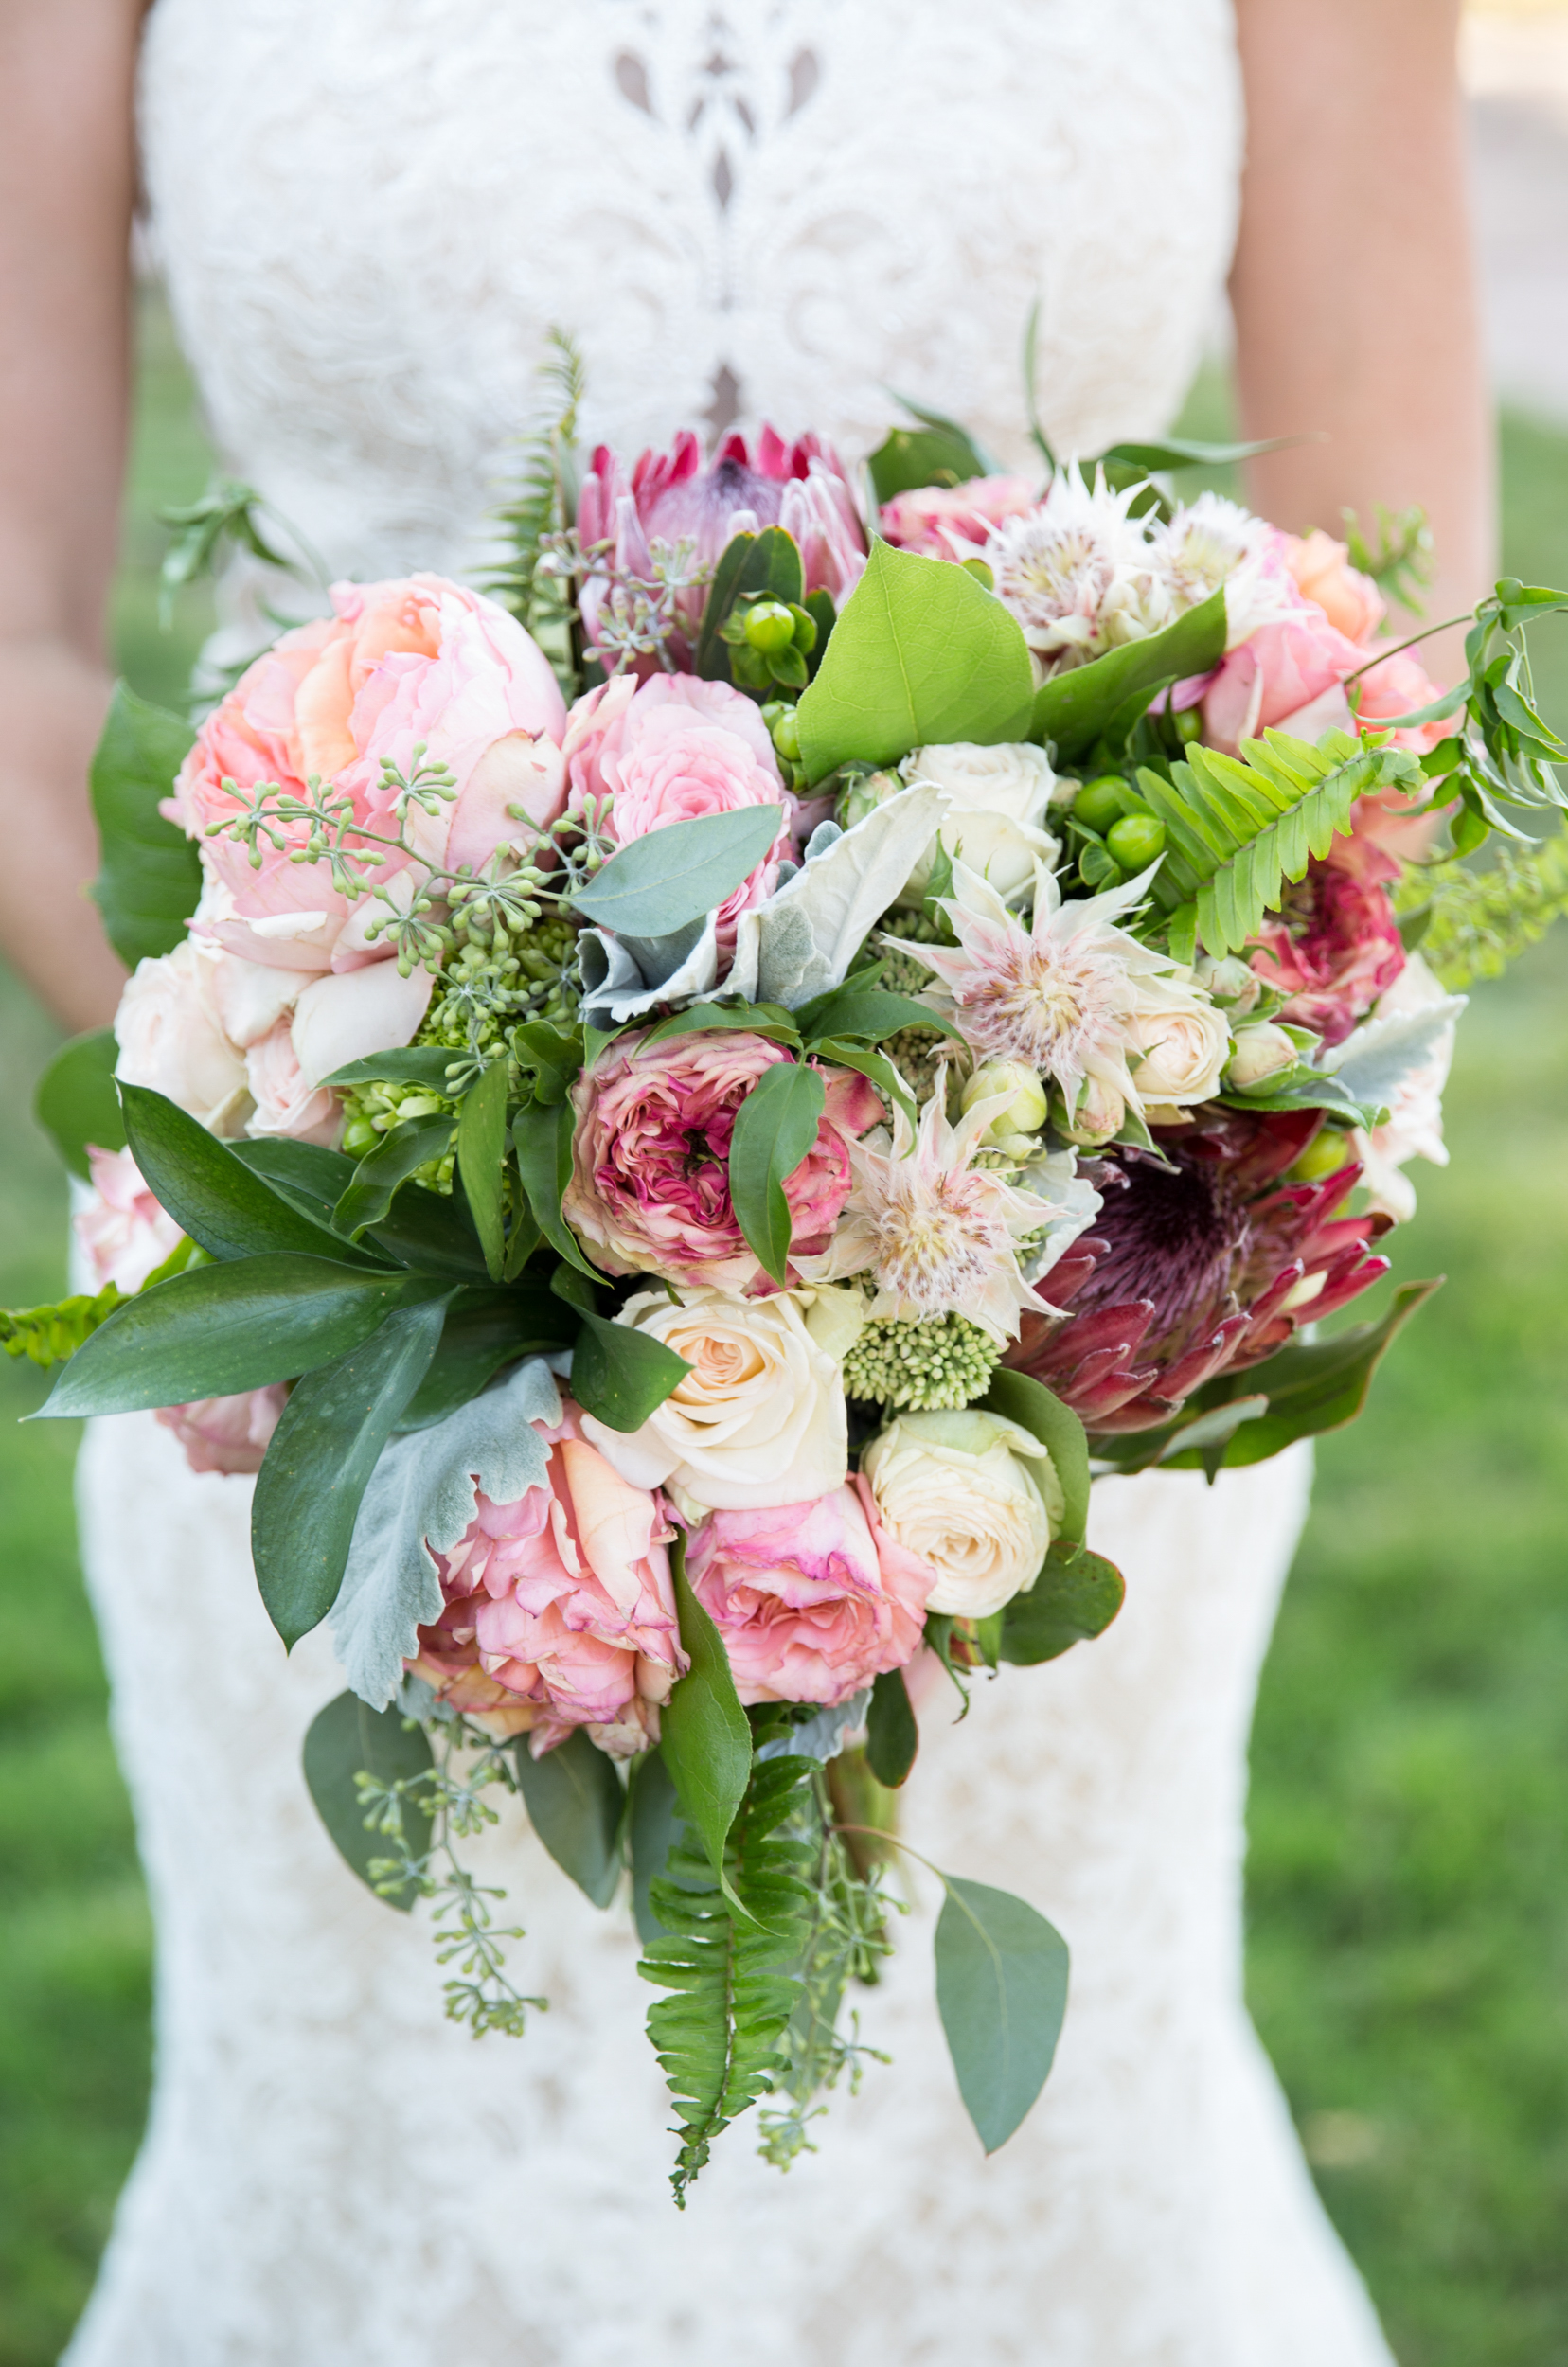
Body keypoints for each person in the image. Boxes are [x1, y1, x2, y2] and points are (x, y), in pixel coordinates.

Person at [0, 3, 1491, 2360]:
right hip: (344, 1321)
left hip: (1044, 1302)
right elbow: (14, 620)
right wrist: (393, 1210)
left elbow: (1384, 621)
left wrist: (1029, 1209)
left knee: (1038, 2169)